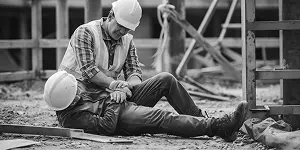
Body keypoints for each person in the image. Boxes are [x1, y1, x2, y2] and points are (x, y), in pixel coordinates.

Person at [45, 0, 248, 142]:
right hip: (88, 104)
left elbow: (134, 73)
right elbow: (89, 71)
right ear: (110, 16)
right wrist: (115, 86)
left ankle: (206, 122)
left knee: (166, 79)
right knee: (160, 117)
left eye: (128, 29)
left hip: (114, 98)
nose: (123, 32)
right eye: (121, 26)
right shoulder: (85, 33)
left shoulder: (126, 40)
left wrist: (126, 88)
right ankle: (217, 126)